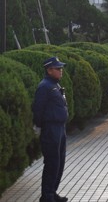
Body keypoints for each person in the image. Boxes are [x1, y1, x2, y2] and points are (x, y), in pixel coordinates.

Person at [32, 57, 69, 202]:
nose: (61, 71)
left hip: (60, 128)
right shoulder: (44, 86)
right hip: (50, 129)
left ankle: (52, 192)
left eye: (61, 68)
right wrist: (38, 126)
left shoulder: (56, 85)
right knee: (52, 163)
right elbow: (38, 108)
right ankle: (46, 196)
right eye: (58, 69)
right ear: (49, 70)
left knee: (59, 163)